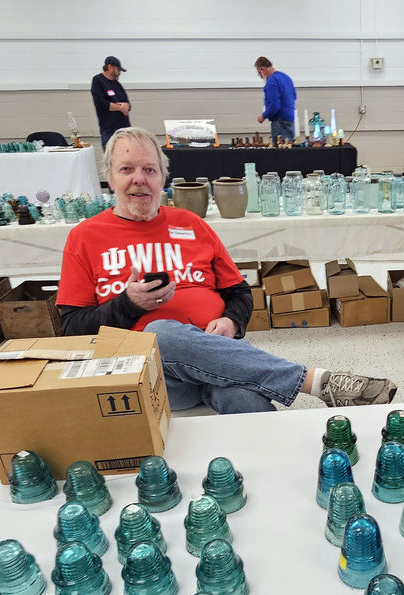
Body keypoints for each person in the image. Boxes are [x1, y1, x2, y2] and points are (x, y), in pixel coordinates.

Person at [56, 127, 397, 415]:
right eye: (126, 169)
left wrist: (232, 322)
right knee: (159, 333)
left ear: (163, 177)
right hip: (149, 375)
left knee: (249, 404)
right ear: (109, 176)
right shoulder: (84, 237)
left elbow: (239, 292)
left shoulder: (191, 224)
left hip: (218, 361)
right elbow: (72, 329)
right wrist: (128, 304)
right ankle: (318, 382)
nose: (139, 179)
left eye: (149, 170)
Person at [91, 56, 131, 150]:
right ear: (110, 67)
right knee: (111, 154)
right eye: (118, 69)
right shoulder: (98, 80)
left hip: (124, 128)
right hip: (109, 129)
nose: (119, 72)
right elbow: (101, 103)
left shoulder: (117, 84)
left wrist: (126, 106)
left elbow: (127, 103)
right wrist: (120, 107)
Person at [255, 56, 296, 144]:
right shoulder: (286, 78)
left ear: (262, 70)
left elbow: (274, 106)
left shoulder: (271, 82)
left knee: (279, 150)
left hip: (279, 123)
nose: (260, 77)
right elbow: (294, 96)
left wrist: (263, 116)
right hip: (290, 121)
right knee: (290, 148)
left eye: (259, 74)